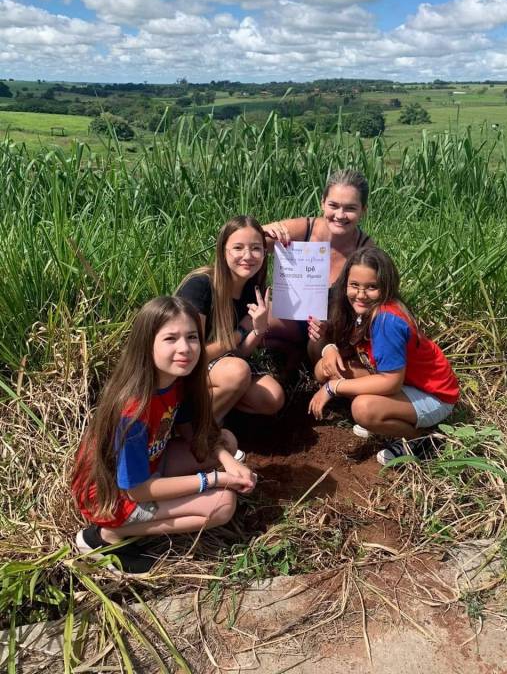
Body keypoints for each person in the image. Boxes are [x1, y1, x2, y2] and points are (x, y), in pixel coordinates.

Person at [72, 296, 257, 575]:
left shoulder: (174, 381)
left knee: (226, 441)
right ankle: (108, 536)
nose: (185, 348)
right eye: (171, 338)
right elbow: (137, 489)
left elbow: (190, 429)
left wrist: (227, 461)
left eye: (192, 337)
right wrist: (213, 479)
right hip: (111, 497)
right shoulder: (132, 410)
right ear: (147, 344)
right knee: (222, 505)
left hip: (151, 465)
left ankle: (133, 522)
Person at [308, 247, 459, 465]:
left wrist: (333, 388)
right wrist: (329, 346)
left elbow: (391, 382)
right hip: (404, 382)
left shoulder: (387, 320)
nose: (361, 294)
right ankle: (386, 418)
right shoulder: (357, 310)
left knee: (363, 409)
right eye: (354, 285)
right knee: (326, 367)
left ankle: (420, 439)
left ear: (386, 286)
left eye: (371, 287)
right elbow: (340, 347)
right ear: (345, 284)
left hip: (434, 395)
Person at [176, 216, 285, 424]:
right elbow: (192, 355)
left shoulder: (253, 290)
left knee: (272, 397)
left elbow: (239, 353)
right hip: (187, 370)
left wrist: (258, 330)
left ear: (265, 253)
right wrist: (240, 332)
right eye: (238, 248)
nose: (248, 256)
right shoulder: (200, 286)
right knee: (237, 372)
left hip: (221, 368)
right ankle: (198, 429)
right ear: (223, 251)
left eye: (256, 248)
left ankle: (218, 409)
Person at [263, 169, 374, 360]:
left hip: (331, 330)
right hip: (292, 317)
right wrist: (264, 231)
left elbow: (371, 305)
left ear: (363, 210)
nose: (340, 215)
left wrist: (333, 327)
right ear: (322, 203)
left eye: (350, 208)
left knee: (322, 345)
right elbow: (244, 243)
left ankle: (306, 361)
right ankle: (290, 354)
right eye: (333, 205)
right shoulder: (306, 228)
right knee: (249, 321)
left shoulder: (365, 250)